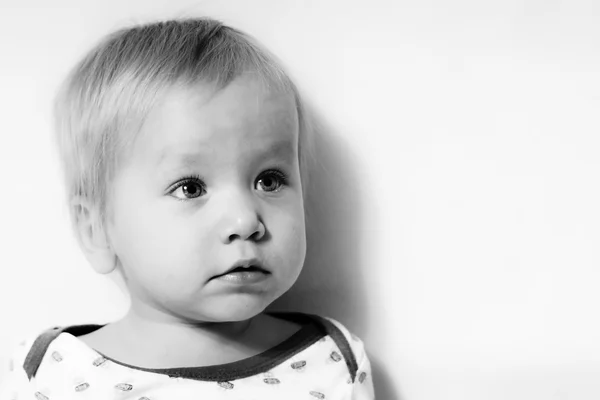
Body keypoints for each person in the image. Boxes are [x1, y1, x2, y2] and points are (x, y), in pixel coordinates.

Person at [0, 18, 374, 399]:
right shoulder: (55, 375)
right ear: (96, 227)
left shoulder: (331, 361)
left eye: (269, 181)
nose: (245, 221)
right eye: (190, 188)